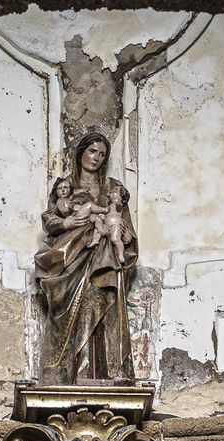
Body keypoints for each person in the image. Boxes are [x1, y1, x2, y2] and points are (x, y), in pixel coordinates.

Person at [34, 132, 138, 384]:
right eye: (92, 151)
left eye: (102, 154)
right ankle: (64, 373)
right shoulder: (65, 185)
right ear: (81, 152)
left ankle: (110, 371)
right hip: (72, 256)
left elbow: (127, 231)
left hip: (106, 259)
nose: (96, 158)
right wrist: (66, 223)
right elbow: (50, 218)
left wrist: (125, 235)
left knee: (106, 303)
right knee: (71, 310)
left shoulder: (113, 188)